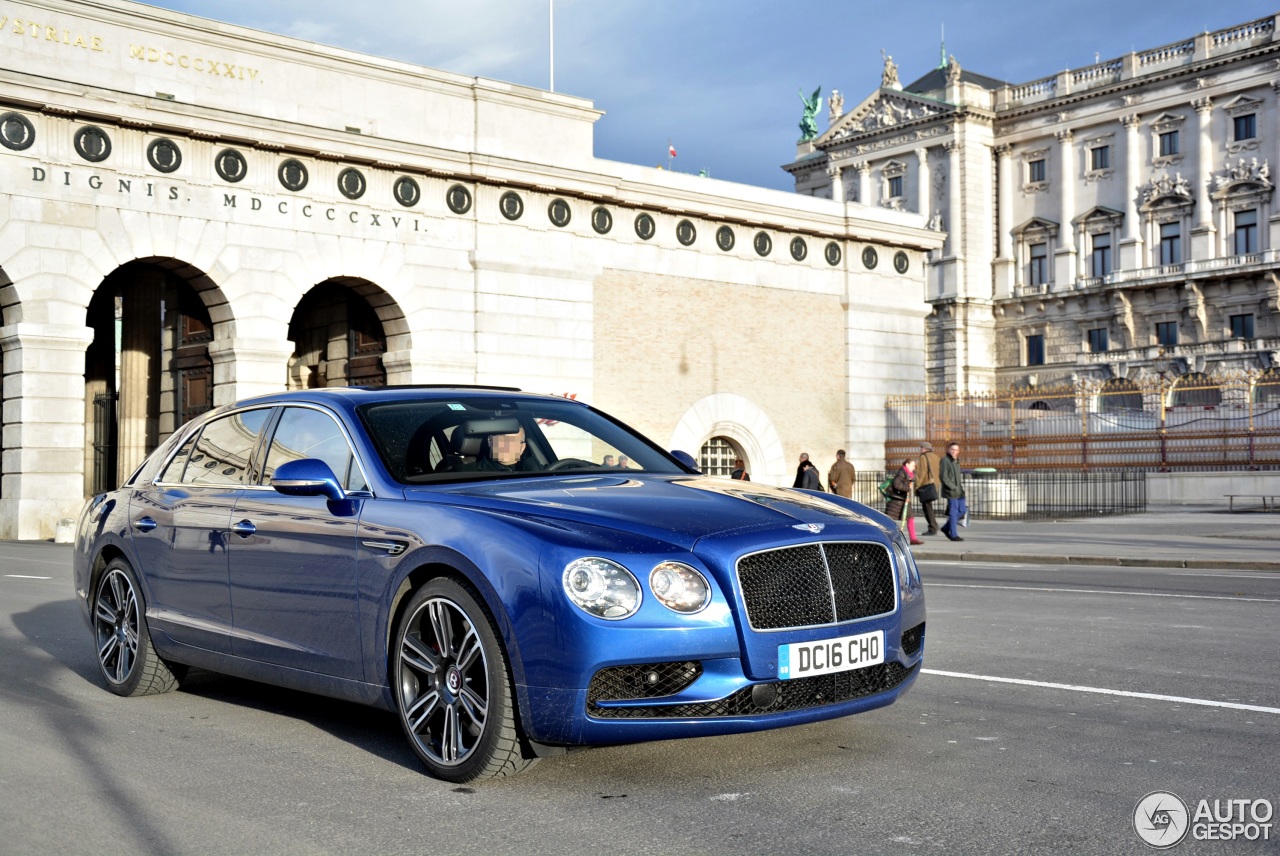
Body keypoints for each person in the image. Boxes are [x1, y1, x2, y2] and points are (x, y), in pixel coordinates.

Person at [884, 458, 923, 545]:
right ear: (907, 465)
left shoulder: (909, 474)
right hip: (896, 500)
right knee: (890, 519)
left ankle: (913, 539)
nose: (914, 467)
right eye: (913, 465)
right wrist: (907, 488)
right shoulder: (901, 472)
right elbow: (896, 484)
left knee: (910, 517)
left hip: (903, 500)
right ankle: (886, 537)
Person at [940, 441, 967, 542]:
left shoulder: (956, 460)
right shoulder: (945, 460)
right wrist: (953, 487)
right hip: (951, 490)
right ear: (948, 449)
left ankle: (946, 527)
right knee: (953, 512)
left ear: (958, 451)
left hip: (959, 490)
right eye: (952, 449)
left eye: (956, 450)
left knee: (963, 510)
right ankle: (953, 534)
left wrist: (958, 488)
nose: (954, 451)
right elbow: (943, 476)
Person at [915, 442, 943, 535]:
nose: (920, 449)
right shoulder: (936, 457)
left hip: (925, 485)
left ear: (925, 448)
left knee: (927, 507)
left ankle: (932, 527)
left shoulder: (923, 457)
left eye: (921, 448)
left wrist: (917, 486)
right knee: (929, 506)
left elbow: (921, 473)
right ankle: (934, 525)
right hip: (934, 485)